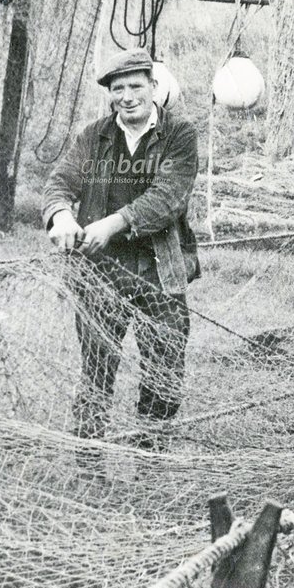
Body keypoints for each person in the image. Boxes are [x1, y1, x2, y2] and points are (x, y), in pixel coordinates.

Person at [42, 48, 200, 452]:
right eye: (118, 89)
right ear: (109, 94)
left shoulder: (180, 135)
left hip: (160, 273)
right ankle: (89, 461)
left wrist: (112, 224)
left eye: (135, 86)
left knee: (163, 374)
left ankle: (149, 459)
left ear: (153, 86)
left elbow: (168, 198)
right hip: (98, 275)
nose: (127, 96)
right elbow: (60, 182)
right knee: (96, 371)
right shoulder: (92, 136)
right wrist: (60, 215)